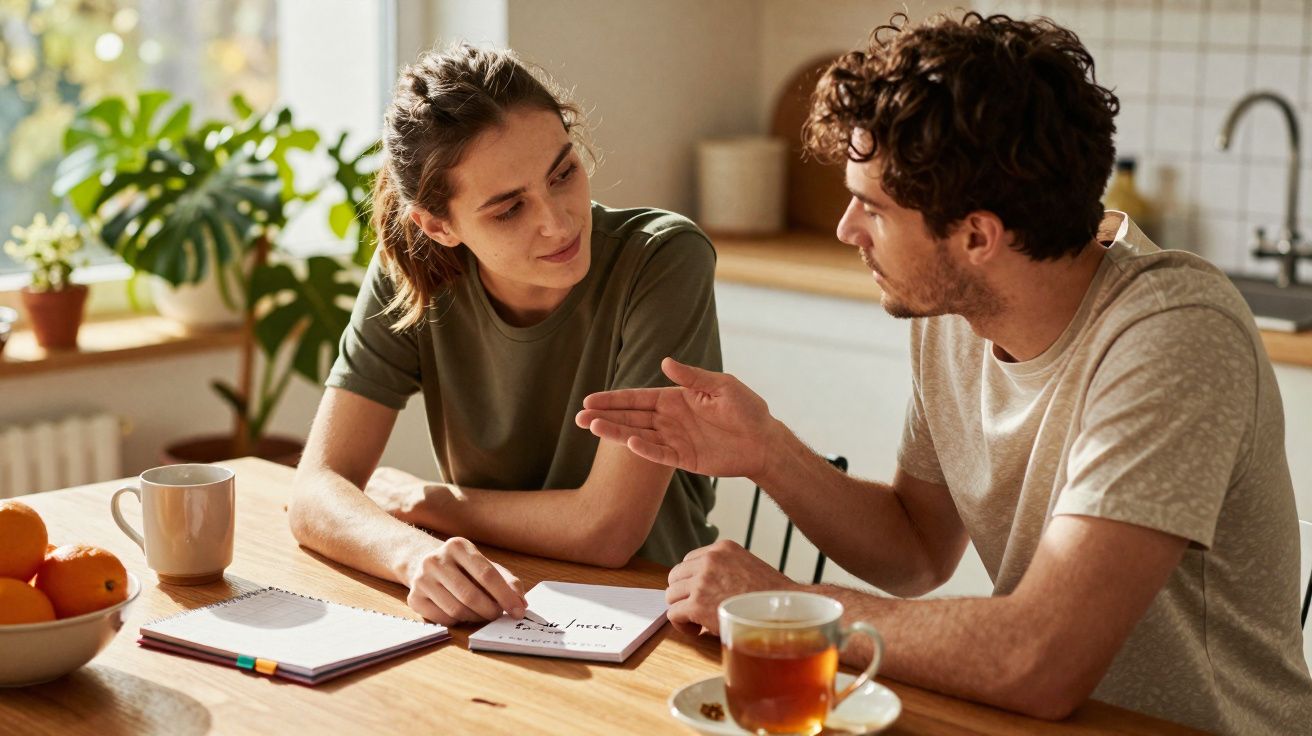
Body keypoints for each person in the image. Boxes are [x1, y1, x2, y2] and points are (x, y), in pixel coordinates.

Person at [576, 12, 1312, 733]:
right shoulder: (955, 316)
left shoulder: (1173, 335)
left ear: (977, 235)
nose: (844, 230)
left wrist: (793, 610)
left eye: (871, 207)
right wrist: (766, 449)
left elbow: (1040, 660)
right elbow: (916, 553)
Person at [288, 42, 721, 628]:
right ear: (438, 226)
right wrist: (412, 554)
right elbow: (314, 493)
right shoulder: (414, 273)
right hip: (492, 609)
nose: (560, 221)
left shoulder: (662, 260)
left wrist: (430, 502)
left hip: (652, 615)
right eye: (509, 209)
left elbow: (608, 531)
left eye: (563, 173)